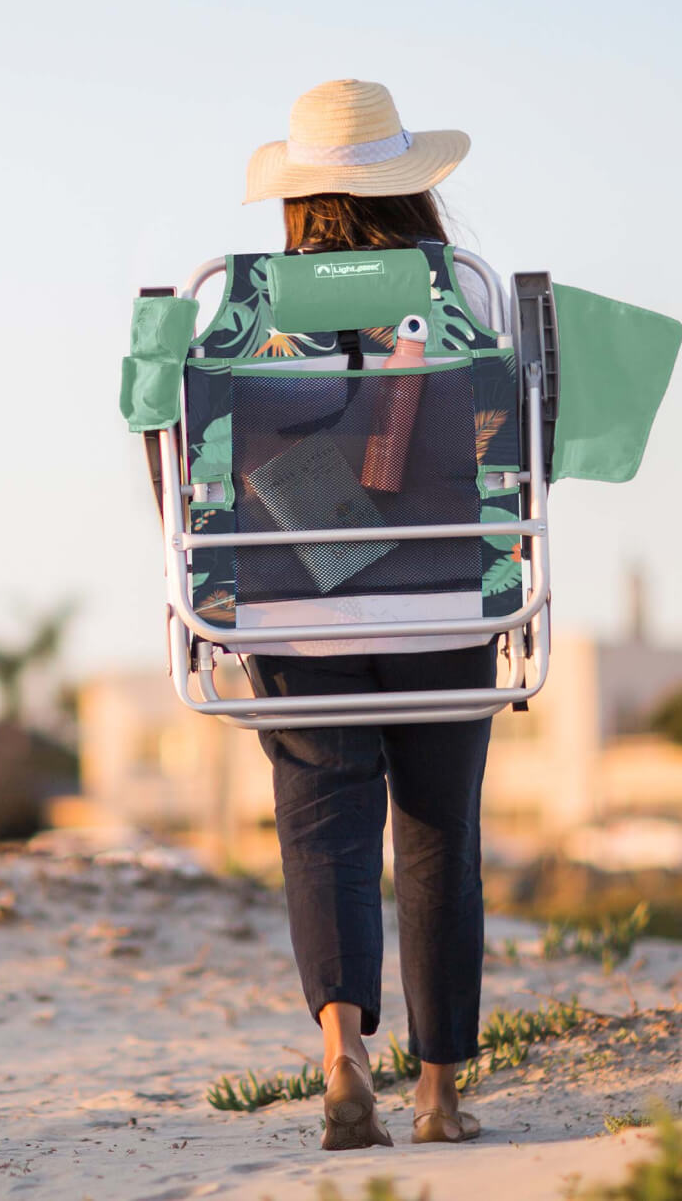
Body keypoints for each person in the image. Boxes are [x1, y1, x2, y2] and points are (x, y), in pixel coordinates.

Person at [241, 79, 499, 1151]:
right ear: (412, 193)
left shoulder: (244, 312)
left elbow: (195, 458)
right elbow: (506, 449)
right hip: (440, 600)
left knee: (322, 831)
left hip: (298, 604)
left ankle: (342, 1051)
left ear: (298, 204)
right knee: (438, 836)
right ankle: (440, 1094)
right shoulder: (461, 300)